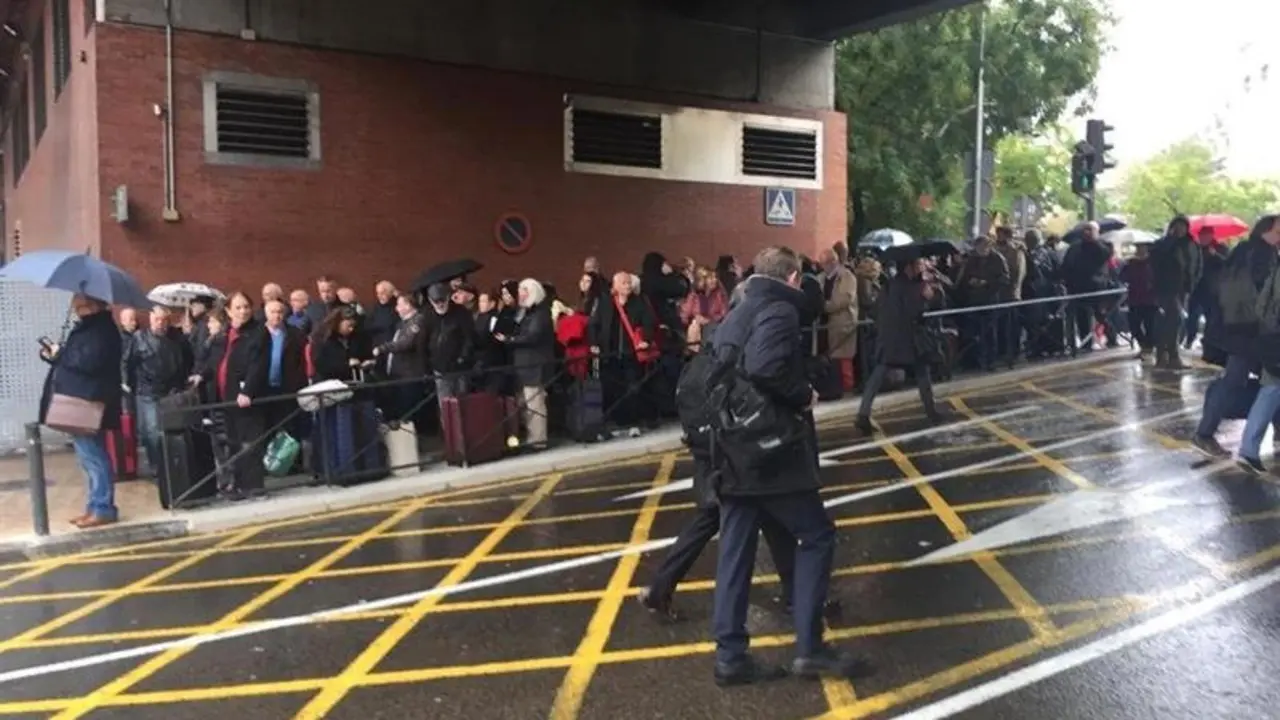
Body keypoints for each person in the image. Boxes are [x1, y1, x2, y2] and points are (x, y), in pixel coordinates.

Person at [707, 246, 862, 686]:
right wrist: (803, 395)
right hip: (770, 451)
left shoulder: (737, 308)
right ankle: (810, 648)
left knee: (735, 552)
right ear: (793, 278)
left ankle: (731, 656)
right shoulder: (778, 309)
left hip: (733, 448)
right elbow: (766, 367)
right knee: (816, 535)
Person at [1192, 215, 1280, 457]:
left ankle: (1206, 433)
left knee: (1264, 380)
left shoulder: (1245, 251)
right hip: (1250, 332)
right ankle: (1204, 434)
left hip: (1239, 330)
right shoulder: (1262, 255)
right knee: (1240, 381)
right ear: (1266, 231)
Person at [39, 294, 124, 528]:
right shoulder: (91, 328)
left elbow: (89, 362)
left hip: (89, 402)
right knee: (88, 458)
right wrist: (55, 356)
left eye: (80, 306)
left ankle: (103, 507)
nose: (77, 310)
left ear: (92, 305)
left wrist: (61, 353)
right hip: (82, 400)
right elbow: (77, 360)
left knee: (94, 457)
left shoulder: (102, 330)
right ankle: (95, 506)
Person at [855, 257, 942, 434]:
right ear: (909, 267)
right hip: (909, 338)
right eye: (918, 264)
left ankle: (863, 413)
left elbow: (876, 309)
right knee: (922, 372)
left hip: (889, 337)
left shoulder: (890, 285)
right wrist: (929, 298)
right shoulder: (914, 287)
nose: (921, 267)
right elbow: (916, 312)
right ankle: (931, 411)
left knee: (878, 375)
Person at [198, 292, 270, 500]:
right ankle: (238, 484)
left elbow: (259, 365)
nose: (243, 311)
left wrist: (248, 391)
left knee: (250, 442)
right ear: (228, 311)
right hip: (226, 396)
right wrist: (201, 375)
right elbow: (217, 361)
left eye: (246, 306)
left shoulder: (258, 332)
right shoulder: (226, 333)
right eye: (238, 307)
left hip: (246, 397)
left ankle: (254, 486)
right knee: (234, 442)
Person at [1149, 216, 1202, 369]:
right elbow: (1156, 261)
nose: (1180, 230)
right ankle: (1168, 355)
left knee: (1174, 323)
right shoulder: (1163, 245)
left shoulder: (1192, 244)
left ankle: (1167, 355)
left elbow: (1197, 265)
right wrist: (1170, 239)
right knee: (1173, 320)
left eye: (1183, 226)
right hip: (1166, 288)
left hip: (1184, 288)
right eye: (1177, 226)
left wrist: (1192, 283)